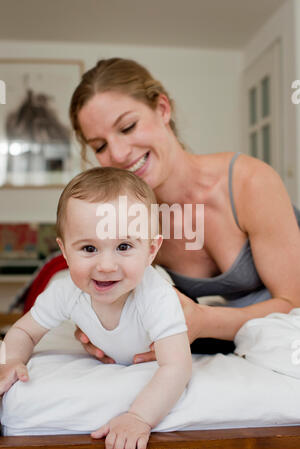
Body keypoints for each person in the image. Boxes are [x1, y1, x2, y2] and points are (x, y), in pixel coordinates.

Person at [69, 57, 300, 363]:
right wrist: (98, 325)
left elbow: (293, 303)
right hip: (241, 340)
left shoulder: (249, 182)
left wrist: (205, 321)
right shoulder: (131, 220)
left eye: (128, 127)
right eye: (99, 146)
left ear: (163, 109)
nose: (119, 154)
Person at [0, 167, 192, 449]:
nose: (105, 266)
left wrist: (139, 416)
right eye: (89, 249)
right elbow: (26, 331)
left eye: (124, 246)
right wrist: (11, 360)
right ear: (64, 251)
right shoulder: (66, 290)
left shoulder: (157, 295)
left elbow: (177, 366)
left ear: (151, 250)